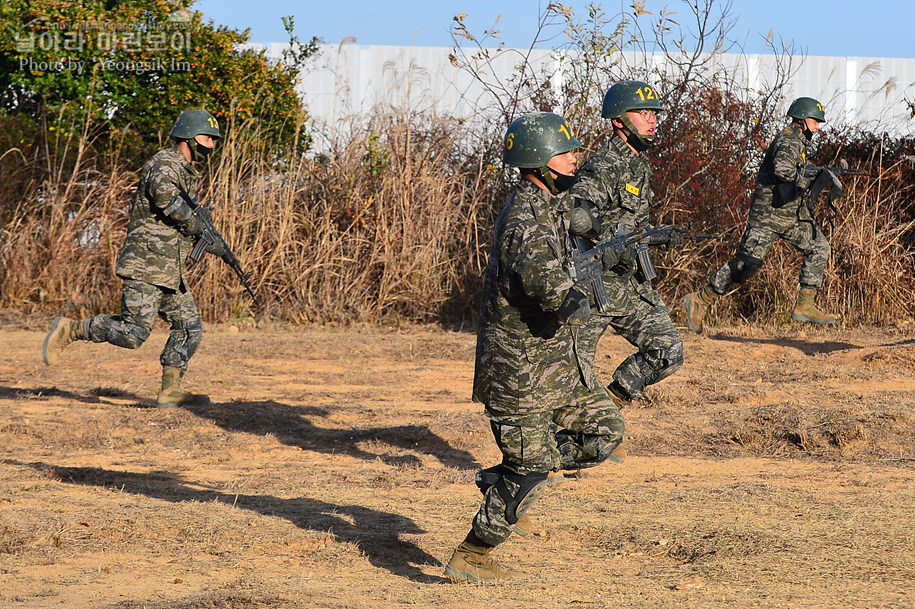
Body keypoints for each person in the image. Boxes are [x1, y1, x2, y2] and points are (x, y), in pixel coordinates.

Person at [444, 112, 625, 584]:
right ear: (536, 163)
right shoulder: (524, 220)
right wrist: (591, 297)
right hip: (518, 375)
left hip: (556, 368)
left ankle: (507, 475)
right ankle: (474, 552)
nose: (574, 161)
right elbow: (550, 288)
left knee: (605, 430)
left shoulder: (550, 203)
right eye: (565, 155)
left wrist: (615, 237)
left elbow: (582, 218)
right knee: (532, 471)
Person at [42, 109, 227, 408]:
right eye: (207, 138)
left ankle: (170, 390)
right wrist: (198, 227)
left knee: (189, 327)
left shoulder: (185, 171)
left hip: (168, 269)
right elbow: (166, 200)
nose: (211, 145)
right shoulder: (165, 163)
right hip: (146, 264)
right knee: (133, 333)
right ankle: (71, 329)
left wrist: (211, 241)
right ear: (190, 137)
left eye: (213, 140)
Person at [566, 80, 684, 409]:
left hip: (629, 284)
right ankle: (559, 445)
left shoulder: (638, 166)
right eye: (644, 113)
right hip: (594, 287)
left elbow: (631, 228)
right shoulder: (604, 165)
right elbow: (578, 215)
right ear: (619, 120)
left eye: (655, 113)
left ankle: (609, 405)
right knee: (570, 376)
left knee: (668, 351)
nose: (652, 120)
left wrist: (658, 236)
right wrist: (610, 244)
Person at [684, 96, 836, 333]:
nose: (817, 126)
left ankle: (805, 304)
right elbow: (784, 171)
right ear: (801, 120)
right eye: (815, 121)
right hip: (767, 217)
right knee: (747, 265)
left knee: (819, 246)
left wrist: (820, 174)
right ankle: (701, 299)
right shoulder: (788, 141)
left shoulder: (799, 142)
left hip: (790, 217)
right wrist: (809, 177)